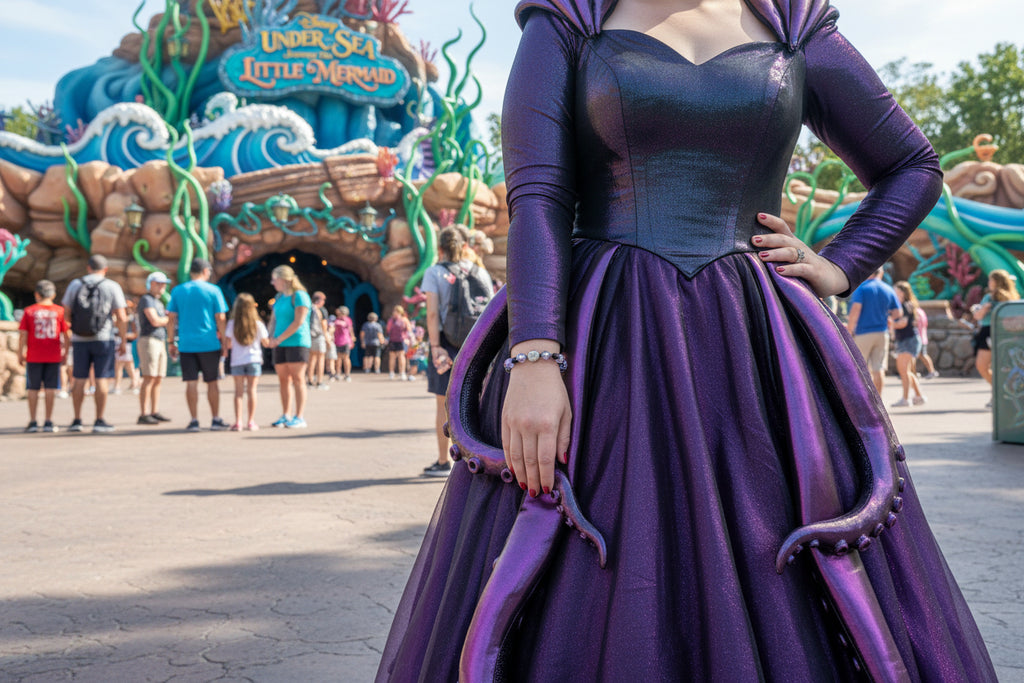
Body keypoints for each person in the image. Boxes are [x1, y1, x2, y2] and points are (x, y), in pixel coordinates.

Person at [377, 1, 996, 680]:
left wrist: (841, 264)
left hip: (758, 357)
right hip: (605, 350)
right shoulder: (569, 19)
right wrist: (534, 356)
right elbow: (539, 198)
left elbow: (912, 165)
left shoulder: (795, 24)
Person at [419, 226, 494, 477]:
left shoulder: (435, 272)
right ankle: (479, 458)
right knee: (477, 399)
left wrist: (435, 346)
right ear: (464, 246)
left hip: (446, 343)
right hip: (475, 343)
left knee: (444, 403)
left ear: (440, 248)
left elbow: (432, 313)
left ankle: (444, 461)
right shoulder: (480, 271)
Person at [61, 254, 128, 433]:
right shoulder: (112, 286)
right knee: (101, 379)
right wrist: (122, 340)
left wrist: (70, 334)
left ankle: (77, 420)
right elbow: (122, 317)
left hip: (79, 339)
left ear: (88, 267)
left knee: (79, 379)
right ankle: (99, 420)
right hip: (104, 338)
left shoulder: (75, 284)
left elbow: (66, 313)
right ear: (105, 269)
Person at [167, 258, 230, 432]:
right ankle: (215, 419)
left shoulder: (178, 290)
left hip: (186, 344)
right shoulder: (213, 290)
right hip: (209, 343)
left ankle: (194, 420)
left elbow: (171, 318)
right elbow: (221, 318)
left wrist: (171, 341)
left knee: (191, 383)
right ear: (205, 271)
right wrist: (224, 341)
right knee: (212, 382)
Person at [18, 279, 70, 432]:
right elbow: (66, 334)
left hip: (34, 355)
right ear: (53, 295)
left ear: (37, 294)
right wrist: (66, 352)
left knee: (33, 388)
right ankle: (48, 421)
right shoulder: (59, 311)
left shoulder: (29, 311)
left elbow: (23, 334)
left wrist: (20, 352)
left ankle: (33, 421)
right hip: (53, 355)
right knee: (50, 388)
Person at [846, 266, 901, 395]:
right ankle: (879, 400)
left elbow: (855, 310)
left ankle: (864, 399)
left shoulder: (862, 288)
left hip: (863, 333)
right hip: (882, 333)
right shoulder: (888, 289)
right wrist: (887, 317)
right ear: (881, 273)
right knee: (879, 368)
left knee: (860, 368)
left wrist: (849, 330)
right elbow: (898, 313)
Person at [268, 265, 311, 428]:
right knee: (283, 380)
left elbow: (299, 322)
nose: (272, 283)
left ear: (284, 279)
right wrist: (269, 337)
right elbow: (273, 320)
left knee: (298, 379)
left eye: (274, 279)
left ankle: (299, 416)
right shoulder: (279, 297)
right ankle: (286, 414)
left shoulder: (300, 296)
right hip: (279, 343)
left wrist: (279, 339)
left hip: (297, 342)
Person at [972, 268, 1019, 407]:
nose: (989, 282)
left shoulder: (1005, 298)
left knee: (993, 366)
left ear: (997, 281)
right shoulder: (991, 297)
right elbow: (978, 316)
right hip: (994, 332)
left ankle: (1000, 394)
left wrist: (987, 307)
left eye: (991, 280)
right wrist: (984, 308)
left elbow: (979, 316)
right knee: (986, 366)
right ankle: (999, 391)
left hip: (998, 332)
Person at [225, 292, 269, 430]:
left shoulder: (231, 324)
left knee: (238, 393)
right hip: (254, 359)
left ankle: (238, 422)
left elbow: (228, 344)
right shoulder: (258, 324)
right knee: (252, 391)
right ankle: (251, 421)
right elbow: (265, 342)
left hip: (237, 360)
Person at [136, 271, 172, 425]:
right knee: (149, 377)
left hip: (160, 340)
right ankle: (144, 413)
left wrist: (165, 320)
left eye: (164, 284)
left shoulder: (158, 301)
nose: (162, 287)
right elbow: (155, 320)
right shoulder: (146, 299)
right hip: (149, 340)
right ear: (151, 284)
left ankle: (154, 411)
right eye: (159, 284)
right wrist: (168, 319)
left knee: (158, 378)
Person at [889, 281, 927, 408]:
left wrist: (889, 324)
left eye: (895, 290)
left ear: (901, 292)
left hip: (908, 340)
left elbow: (903, 323)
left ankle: (905, 399)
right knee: (908, 371)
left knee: (903, 371)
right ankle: (919, 396)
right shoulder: (908, 304)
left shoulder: (904, 305)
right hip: (909, 339)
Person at [112, 299, 140, 395]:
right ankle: (134, 384)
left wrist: (123, 336)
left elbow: (135, 334)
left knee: (121, 365)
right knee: (128, 366)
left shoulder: (131, 319)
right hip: (121, 342)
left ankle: (118, 386)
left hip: (128, 344)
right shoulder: (118, 318)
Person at [306, 290, 330, 389]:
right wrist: (327, 338)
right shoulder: (321, 310)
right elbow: (324, 325)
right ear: (320, 300)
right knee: (320, 358)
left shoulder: (308, 308)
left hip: (309, 336)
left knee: (311, 359)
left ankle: (310, 381)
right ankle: (319, 381)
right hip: (318, 336)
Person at [385, 304, 412, 380]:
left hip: (402, 340)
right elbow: (388, 330)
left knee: (401, 356)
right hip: (392, 340)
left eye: (397, 311)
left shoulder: (404, 320)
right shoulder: (391, 320)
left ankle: (402, 372)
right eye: (394, 311)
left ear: (400, 312)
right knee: (392, 357)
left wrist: (408, 339)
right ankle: (391, 373)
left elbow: (409, 330)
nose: (395, 313)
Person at [915, 304, 939, 379]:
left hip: (918, 337)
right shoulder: (921, 311)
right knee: (920, 355)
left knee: (921, 355)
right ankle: (931, 371)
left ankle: (932, 371)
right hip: (922, 336)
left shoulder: (916, 312)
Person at [334, 305, 355, 381]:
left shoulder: (341, 320)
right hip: (342, 341)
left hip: (342, 341)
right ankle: (344, 374)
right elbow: (350, 330)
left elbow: (350, 329)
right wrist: (352, 339)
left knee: (341, 358)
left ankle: (341, 374)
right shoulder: (343, 319)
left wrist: (352, 339)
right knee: (343, 358)